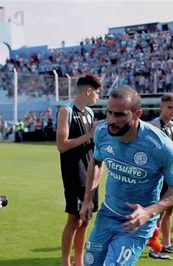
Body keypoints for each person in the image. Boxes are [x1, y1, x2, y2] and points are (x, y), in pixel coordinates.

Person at [80, 86, 173, 265]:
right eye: (109, 113)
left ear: (137, 114)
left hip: (138, 222)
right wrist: (88, 198)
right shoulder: (102, 132)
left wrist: (148, 212)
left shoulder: (161, 146)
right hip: (108, 213)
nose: (112, 120)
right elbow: (97, 161)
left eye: (120, 115)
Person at [56, 74, 102, 266]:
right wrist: (89, 135)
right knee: (74, 219)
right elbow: (61, 145)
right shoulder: (66, 111)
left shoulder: (90, 113)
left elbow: (92, 141)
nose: (98, 97)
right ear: (88, 91)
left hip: (92, 169)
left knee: (86, 218)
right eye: (97, 93)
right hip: (74, 171)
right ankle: (66, 262)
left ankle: (79, 261)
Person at [148, 93, 173, 260]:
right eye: (170, 107)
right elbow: (154, 152)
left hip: (172, 176)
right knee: (158, 211)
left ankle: (166, 244)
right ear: (161, 107)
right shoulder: (154, 126)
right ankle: (154, 248)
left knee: (169, 211)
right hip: (159, 176)